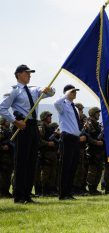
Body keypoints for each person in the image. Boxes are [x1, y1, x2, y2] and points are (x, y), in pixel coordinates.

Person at [0, 64, 55, 204]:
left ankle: (27, 194)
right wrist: (14, 121)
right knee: (21, 162)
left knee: (32, 161)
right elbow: (2, 108)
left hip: (32, 127)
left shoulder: (33, 90)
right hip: (21, 126)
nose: (29, 75)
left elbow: (51, 92)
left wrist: (48, 89)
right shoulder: (14, 91)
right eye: (27, 73)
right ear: (18, 74)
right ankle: (19, 196)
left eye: (30, 73)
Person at [54, 84, 82, 200]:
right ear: (66, 93)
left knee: (73, 166)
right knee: (65, 166)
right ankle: (62, 193)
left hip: (75, 138)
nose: (75, 93)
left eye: (75, 91)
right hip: (67, 138)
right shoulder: (63, 105)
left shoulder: (74, 107)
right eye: (72, 91)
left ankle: (69, 192)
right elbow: (55, 103)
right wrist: (65, 95)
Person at [38, 111, 58, 196]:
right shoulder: (42, 126)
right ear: (44, 117)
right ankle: (44, 190)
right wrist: (47, 143)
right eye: (48, 116)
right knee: (46, 172)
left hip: (52, 153)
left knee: (52, 173)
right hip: (45, 152)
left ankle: (50, 190)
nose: (50, 117)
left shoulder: (48, 126)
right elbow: (38, 139)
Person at [0, 117, 14, 198]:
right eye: (7, 120)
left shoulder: (9, 131)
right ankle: (2, 192)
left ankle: (6, 191)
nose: (9, 122)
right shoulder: (1, 129)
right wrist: (2, 147)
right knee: (2, 175)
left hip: (9, 156)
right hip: (2, 157)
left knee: (8, 175)